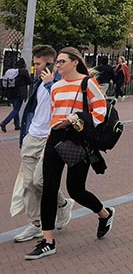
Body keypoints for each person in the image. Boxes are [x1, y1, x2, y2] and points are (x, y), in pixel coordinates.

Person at [26, 47, 113, 260]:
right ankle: (48, 241)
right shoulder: (55, 87)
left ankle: (104, 213)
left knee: (75, 189)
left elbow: (100, 113)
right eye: (57, 62)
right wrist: (51, 134)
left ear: (75, 62)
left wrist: (75, 120)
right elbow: (54, 113)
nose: (57, 65)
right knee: (49, 188)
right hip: (55, 138)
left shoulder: (87, 83)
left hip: (78, 138)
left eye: (62, 62)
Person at [12, 45, 73, 244]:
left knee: (40, 181)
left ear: (50, 63)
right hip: (33, 135)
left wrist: (49, 84)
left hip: (50, 138)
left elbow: (63, 105)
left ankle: (62, 205)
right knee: (28, 184)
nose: (35, 67)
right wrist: (26, 134)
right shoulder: (39, 82)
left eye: (38, 64)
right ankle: (35, 223)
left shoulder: (63, 82)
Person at [1, 57, 30, 132]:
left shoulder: (12, 71)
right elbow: (29, 81)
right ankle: (4, 122)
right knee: (16, 109)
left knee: (15, 108)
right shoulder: (23, 71)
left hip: (10, 93)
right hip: (19, 93)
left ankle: (17, 125)